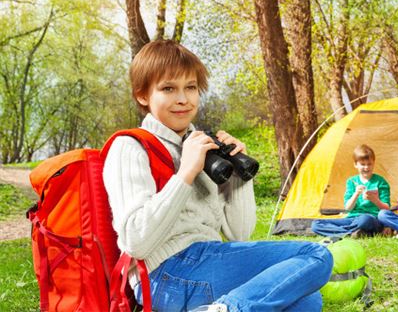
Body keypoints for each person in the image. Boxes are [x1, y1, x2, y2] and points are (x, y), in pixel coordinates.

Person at [103, 40, 333, 312]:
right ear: (143, 95)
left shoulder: (204, 146)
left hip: (208, 262)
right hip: (163, 275)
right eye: (168, 88)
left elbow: (240, 233)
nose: (183, 99)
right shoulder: (130, 147)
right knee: (315, 255)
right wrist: (186, 173)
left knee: (306, 299)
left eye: (190, 87)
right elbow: (135, 242)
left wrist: (238, 176)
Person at [311, 144, 390, 238]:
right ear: (355, 165)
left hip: (372, 219)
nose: (366, 168)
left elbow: (386, 209)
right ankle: (351, 233)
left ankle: (344, 232)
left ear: (374, 163)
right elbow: (348, 208)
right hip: (352, 218)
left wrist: (375, 200)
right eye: (363, 164)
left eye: (369, 164)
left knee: (365, 220)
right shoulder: (351, 182)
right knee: (316, 224)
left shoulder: (380, 182)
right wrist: (356, 194)